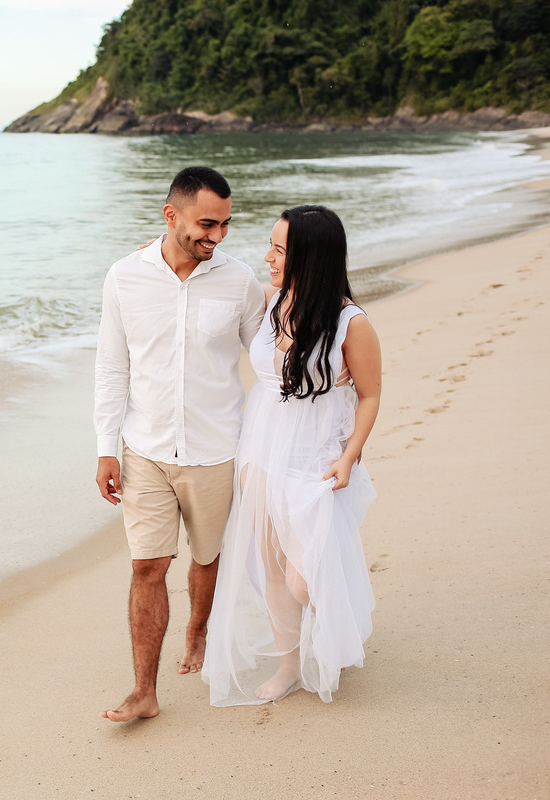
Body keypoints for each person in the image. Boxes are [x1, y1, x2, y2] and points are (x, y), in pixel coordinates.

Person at [94, 167, 265, 722]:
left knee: (206, 559)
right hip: (144, 449)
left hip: (217, 450)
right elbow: (111, 368)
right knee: (148, 565)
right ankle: (144, 689)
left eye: (225, 225)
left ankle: (198, 628)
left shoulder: (238, 282)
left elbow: (267, 360)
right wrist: (105, 447)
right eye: (205, 224)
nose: (216, 236)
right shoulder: (124, 277)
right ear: (172, 216)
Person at [201, 205, 382, 706]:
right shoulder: (270, 301)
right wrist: (154, 255)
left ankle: (332, 630)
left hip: (319, 456)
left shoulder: (351, 323)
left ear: (311, 256)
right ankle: (289, 667)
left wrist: (350, 456)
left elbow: (369, 394)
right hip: (260, 451)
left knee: (306, 579)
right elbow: (213, 278)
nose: (269, 257)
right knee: (272, 565)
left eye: (280, 250)